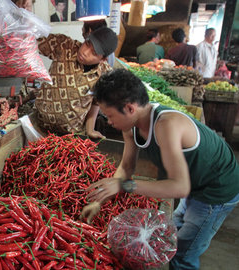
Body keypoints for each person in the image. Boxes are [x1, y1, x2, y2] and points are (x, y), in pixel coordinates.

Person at [83, 69, 239, 269]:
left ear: (130, 108)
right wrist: (101, 200)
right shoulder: (131, 125)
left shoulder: (166, 125)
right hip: (194, 181)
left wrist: (124, 185)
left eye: (110, 115)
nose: (109, 122)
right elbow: (127, 165)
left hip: (216, 190)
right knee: (173, 234)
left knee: (184, 253)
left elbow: (179, 188)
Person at [35, 27, 118, 139]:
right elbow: (32, 40)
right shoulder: (64, 46)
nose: (85, 52)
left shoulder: (104, 74)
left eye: (93, 52)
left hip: (72, 136)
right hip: (40, 129)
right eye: (87, 43)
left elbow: (95, 103)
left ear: (103, 59)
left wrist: (90, 130)